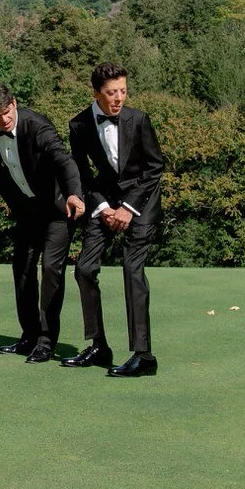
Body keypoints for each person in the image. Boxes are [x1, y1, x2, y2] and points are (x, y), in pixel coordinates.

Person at [0, 82, 84, 363]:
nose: (4, 120)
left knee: (51, 269)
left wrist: (74, 194)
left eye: (7, 113)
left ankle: (46, 342)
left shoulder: (38, 127)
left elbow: (64, 160)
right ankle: (29, 336)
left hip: (58, 208)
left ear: (14, 104)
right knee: (22, 268)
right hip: (27, 211)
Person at [64, 62, 166, 378]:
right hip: (104, 202)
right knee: (84, 269)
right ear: (96, 93)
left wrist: (128, 209)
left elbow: (155, 168)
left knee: (132, 269)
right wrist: (103, 207)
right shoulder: (78, 125)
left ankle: (144, 356)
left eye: (123, 91)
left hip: (141, 202)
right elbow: (82, 173)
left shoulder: (139, 120)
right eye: (111, 92)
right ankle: (98, 347)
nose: (119, 98)